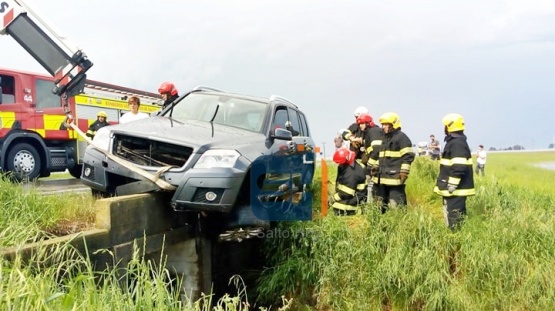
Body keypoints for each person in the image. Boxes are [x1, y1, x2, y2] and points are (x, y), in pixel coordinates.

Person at [433, 113, 475, 229]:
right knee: (453, 215)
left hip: (456, 189)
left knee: (455, 218)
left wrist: (452, 184)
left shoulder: (457, 143)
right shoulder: (456, 141)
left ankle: (456, 239)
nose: (444, 129)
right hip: (454, 188)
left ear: (450, 127)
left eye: (445, 126)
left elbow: (459, 166)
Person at [369, 112, 414, 213]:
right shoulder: (384, 138)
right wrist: (375, 167)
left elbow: (408, 156)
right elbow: (381, 156)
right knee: (378, 206)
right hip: (380, 180)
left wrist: (404, 172)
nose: (383, 127)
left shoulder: (401, 137)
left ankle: (399, 226)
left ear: (394, 125)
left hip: (394, 180)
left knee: (397, 207)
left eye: (386, 124)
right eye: (383, 124)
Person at [331, 147, 367, 215]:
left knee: (336, 207)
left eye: (340, 163)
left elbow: (346, 193)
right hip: (354, 196)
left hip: (355, 200)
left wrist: (332, 199)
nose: (339, 165)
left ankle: (357, 212)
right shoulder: (351, 165)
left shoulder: (352, 173)